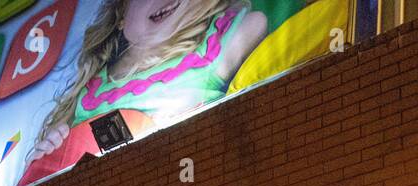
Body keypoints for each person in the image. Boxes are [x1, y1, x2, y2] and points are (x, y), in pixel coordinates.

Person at [26, 0, 268, 164]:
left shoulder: (215, 48)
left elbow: (256, 23)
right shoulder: (90, 93)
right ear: (121, 17)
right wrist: (48, 154)